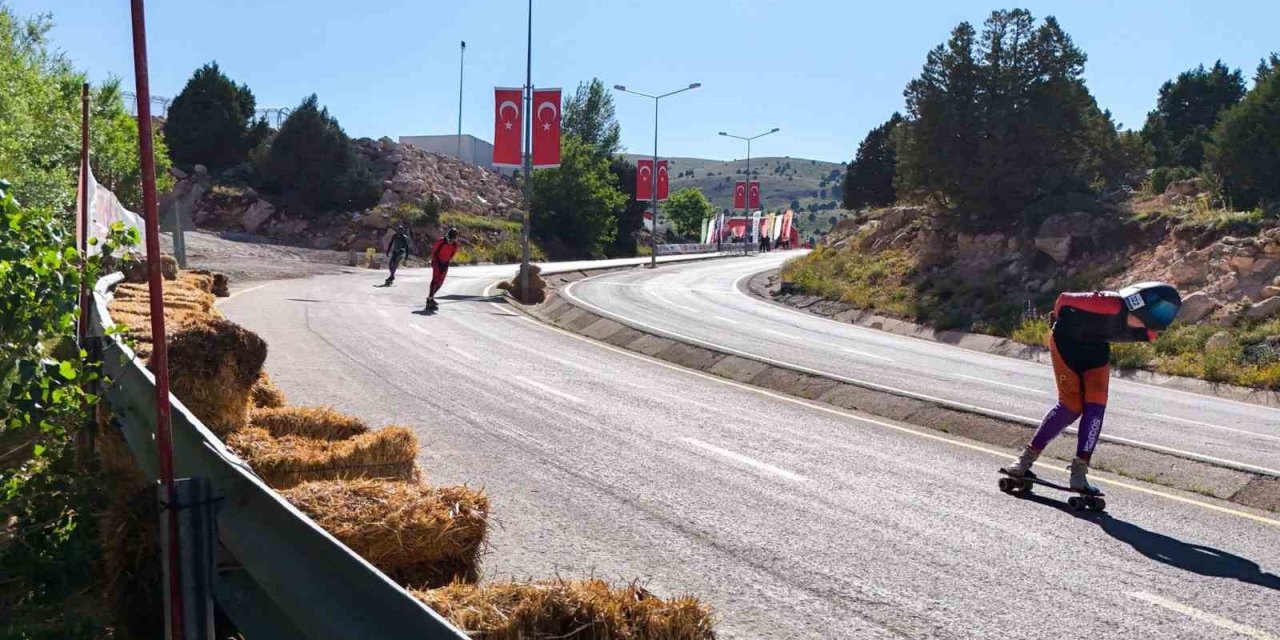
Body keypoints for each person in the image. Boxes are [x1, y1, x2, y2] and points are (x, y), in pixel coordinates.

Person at [1003, 282, 1182, 493]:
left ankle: (1079, 473)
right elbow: (1063, 299)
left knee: (1096, 406)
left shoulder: (1148, 332)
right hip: (1065, 342)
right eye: (1148, 319)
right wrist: (1058, 322)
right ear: (1138, 306)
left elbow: (1143, 328)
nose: (1145, 327)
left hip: (1096, 350)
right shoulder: (1108, 303)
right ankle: (1024, 462)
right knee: (1071, 406)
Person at [424, 227, 460, 311]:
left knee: (440, 283)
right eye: (452, 236)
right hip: (437, 261)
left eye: (454, 236)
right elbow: (434, 251)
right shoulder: (441, 241)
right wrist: (433, 260)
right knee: (435, 279)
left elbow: (452, 254)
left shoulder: (455, 244)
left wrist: (447, 260)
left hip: (445, 263)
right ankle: (430, 297)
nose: (453, 238)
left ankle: (431, 297)